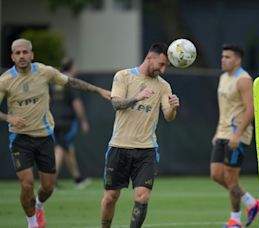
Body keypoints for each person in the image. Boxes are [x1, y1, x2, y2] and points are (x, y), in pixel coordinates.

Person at [0, 38, 111, 228]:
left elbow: (71, 82)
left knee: (48, 187)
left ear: (32, 54)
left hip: (44, 137)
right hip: (20, 139)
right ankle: (32, 223)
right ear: (12, 57)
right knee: (26, 184)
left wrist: (98, 90)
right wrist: (8, 118)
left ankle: (39, 205)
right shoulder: (5, 81)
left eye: (25, 52)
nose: (22, 56)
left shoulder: (45, 72)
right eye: (17, 53)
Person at [100, 43, 179, 228]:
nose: (163, 69)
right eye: (161, 64)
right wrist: (137, 97)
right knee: (110, 197)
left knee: (143, 196)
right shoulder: (123, 76)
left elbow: (168, 116)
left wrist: (173, 107)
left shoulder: (163, 86)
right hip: (119, 147)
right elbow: (116, 104)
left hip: (146, 150)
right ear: (150, 57)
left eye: (165, 66)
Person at [210, 44, 259, 228]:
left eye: (228, 57)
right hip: (222, 133)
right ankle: (251, 203)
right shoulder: (223, 77)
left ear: (238, 60)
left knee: (231, 179)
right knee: (216, 174)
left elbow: (250, 110)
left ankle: (235, 220)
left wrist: (237, 135)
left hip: (236, 135)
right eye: (223, 56)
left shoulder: (244, 79)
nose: (223, 60)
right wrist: (217, 131)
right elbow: (224, 109)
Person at [50, 57, 91, 189]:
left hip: (54, 119)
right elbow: (77, 103)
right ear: (72, 67)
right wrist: (83, 120)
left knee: (68, 149)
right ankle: (51, 181)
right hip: (67, 121)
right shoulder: (70, 82)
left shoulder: (55, 81)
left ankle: (78, 179)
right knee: (60, 149)